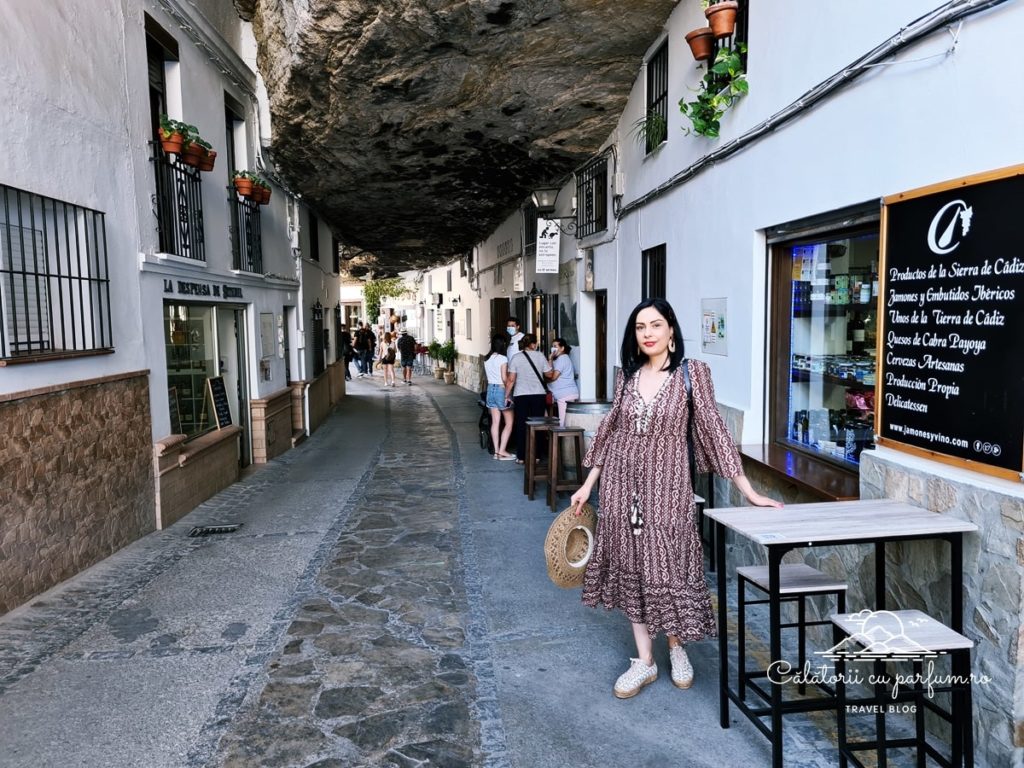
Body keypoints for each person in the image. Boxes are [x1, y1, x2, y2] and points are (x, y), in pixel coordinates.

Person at [569, 298, 781, 699]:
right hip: (619, 487)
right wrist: (587, 484)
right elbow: (611, 432)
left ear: (670, 331)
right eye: (639, 327)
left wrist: (748, 490)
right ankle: (644, 661)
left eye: (655, 325)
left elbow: (715, 431)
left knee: (668, 568)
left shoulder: (691, 374)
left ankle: (676, 646)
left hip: (668, 490)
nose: (647, 333)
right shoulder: (627, 378)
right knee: (631, 568)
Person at [505, 333, 551, 464]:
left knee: (521, 425)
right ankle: (536, 456)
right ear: (533, 344)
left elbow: (511, 380)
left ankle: (521, 456)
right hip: (538, 395)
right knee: (538, 425)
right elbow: (549, 374)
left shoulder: (516, 358)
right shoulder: (540, 356)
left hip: (521, 395)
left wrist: (506, 395)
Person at [483, 334, 516, 460]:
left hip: (490, 389)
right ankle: (502, 450)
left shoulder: (487, 358)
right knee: (509, 422)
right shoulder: (503, 358)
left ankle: (496, 452)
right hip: (501, 390)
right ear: (503, 345)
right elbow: (504, 378)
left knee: (495, 422)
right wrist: (508, 393)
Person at [546, 337, 579, 426]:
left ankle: (561, 439)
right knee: (564, 421)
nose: (553, 348)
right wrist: (550, 359)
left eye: (555, 346)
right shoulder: (559, 359)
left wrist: (547, 379)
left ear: (562, 348)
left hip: (565, 395)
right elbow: (550, 372)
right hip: (565, 394)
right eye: (552, 346)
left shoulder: (562, 359)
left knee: (562, 423)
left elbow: (553, 377)